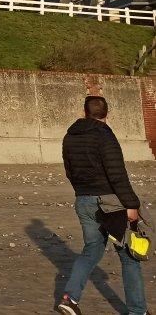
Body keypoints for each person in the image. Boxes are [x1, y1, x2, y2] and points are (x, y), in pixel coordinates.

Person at [56, 95, 146, 315]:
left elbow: (70, 171)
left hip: (84, 200)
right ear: (107, 113)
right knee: (129, 257)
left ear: (84, 112)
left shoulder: (70, 137)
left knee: (91, 250)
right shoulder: (105, 135)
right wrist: (132, 204)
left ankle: (69, 299)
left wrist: (83, 191)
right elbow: (117, 174)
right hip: (111, 203)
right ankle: (137, 311)